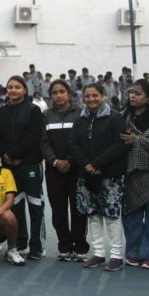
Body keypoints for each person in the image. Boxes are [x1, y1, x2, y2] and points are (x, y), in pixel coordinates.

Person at [68, 83, 129, 272]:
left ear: (103, 96)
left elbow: (120, 145)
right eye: (87, 96)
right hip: (86, 176)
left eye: (95, 95)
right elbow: (73, 143)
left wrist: (97, 164)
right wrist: (87, 164)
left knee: (111, 216)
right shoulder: (80, 120)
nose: (91, 99)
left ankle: (117, 256)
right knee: (93, 215)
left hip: (110, 176)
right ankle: (99, 253)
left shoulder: (115, 118)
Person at [0, 76, 46, 260]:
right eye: (10, 87)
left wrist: (15, 155)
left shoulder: (33, 110)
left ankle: (37, 246)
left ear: (24, 90)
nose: (13, 90)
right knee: (16, 205)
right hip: (8, 167)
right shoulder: (0, 112)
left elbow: (35, 137)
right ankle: (21, 243)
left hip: (29, 164)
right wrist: (5, 155)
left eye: (17, 87)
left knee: (35, 205)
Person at [120, 79, 149, 270]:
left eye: (137, 93)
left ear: (148, 98)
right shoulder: (124, 118)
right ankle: (133, 252)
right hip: (130, 173)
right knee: (131, 216)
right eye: (131, 93)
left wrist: (137, 140)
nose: (133, 96)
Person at [41, 80, 89, 262]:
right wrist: (54, 161)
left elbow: (81, 140)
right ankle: (64, 246)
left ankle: (80, 247)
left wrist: (69, 160)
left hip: (76, 169)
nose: (58, 95)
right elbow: (43, 142)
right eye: (54, 92)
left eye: (62, 91)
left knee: (78, 209)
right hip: (54, 171)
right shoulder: (46, 115)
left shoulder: (80, 114)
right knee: (58, 210)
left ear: (69, 94)